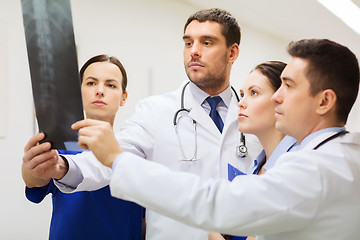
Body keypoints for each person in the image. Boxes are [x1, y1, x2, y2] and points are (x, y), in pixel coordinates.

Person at [72, 38, 360, 240]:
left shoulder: (321, 167)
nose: (278, 96)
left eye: (288, 85)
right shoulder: (329, 155)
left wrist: (117, 159)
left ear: (324, 101)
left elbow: (217, 203)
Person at [27, 8, 261, 239]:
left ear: (232, 53)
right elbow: (111, 159)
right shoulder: (154, 112)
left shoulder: (259, 116)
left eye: (207, 43)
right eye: (188, 43)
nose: (194, 52)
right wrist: (64, 167)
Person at [21, 55, 144, 240]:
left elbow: (144, 220)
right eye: (91, 83)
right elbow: (34, 182)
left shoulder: (137, 152)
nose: (100, 91)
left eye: (111, 85)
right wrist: (34, 161)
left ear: (123, 98)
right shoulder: (60, 148)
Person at [209, 61, 297, 240]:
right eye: (242, 95)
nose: (241, 103)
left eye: (254, 93)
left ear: (280, 100)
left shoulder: (295, 166)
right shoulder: (255, 168)